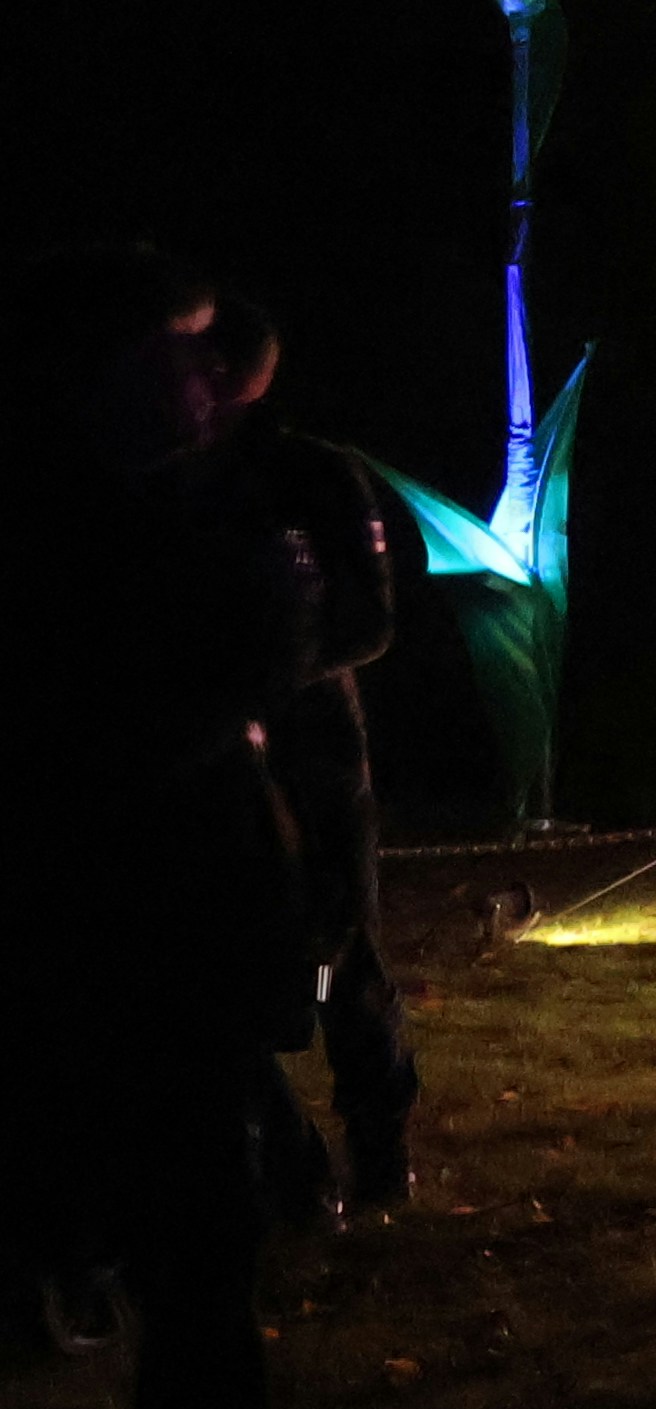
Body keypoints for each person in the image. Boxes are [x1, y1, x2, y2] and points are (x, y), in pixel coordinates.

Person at [0, 242, 454, 1409]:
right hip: (110, 966)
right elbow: (102, 749)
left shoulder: (193, 511)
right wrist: (242, 638)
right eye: (180, 357)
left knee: (204, 1271)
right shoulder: (72, 539)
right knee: (172, 1266)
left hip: (183, 957)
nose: (208, 386)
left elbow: (324, 642)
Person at [189, 291, 424, 1223]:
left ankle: (379, 1151)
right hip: (206, 766)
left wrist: (269, 677)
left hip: (314, 768)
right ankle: (290, 1168)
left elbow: (369, 620)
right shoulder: (171, 483)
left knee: (335, 963)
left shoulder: (315, 477)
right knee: (213, 980)